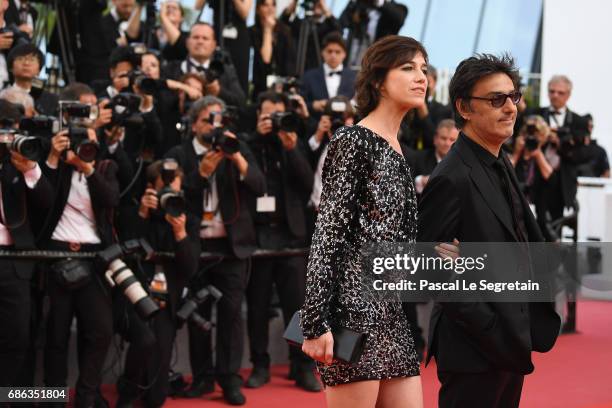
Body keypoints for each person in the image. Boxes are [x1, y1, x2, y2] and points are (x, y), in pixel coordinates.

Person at [417, 53, 561, 408]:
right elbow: (431, 269)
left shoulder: (501, 158)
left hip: (511, 340)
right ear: (464, 108)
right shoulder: (451, 176)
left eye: (513, 97)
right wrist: (491, 327)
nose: (511, 108)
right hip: (475, 349)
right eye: (496, 99)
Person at [300, 35, 426, 408]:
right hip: (352, 312)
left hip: (391, 313)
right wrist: (315, 321)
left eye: (423, 68)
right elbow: (328, 233)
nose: (421, 76)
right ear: (377, 80)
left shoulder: (399, 148)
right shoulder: (354, 139)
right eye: (408, 67)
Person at [165, 96, 265, 405]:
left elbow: (259, 186)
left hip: (231, 248)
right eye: (209, 120)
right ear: (194, 124)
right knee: (198, 315)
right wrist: (201, 174)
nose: (215, 126)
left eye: (220, 120)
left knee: (231, 315)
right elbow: (172, 196)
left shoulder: (236, 146)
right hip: (195, 246)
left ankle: (229, 379)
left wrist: (236, 158)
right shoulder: (178, 154)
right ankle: (203, 378)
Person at [245, 91, 318, 392]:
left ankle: (300, 367)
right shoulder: (248, 144)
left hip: (292, 236)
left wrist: (291, 149)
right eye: (268, 115)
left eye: (279, 114)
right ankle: (259, 365)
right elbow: (247, 179)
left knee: (297, 308)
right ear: (259, 116)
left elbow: (307, 183)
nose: (275, 121)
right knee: (258, 306)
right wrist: (259, 138)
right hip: (259, 237)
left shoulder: (294, 141)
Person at [115, 160, 200, 408]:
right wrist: (142, 214)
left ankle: (149, 392)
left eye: (176, 192)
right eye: (166, 193)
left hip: (167, 299)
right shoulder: (136, 212)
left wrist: (181, 235)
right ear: (151, 189)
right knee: (144, 339)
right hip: (133, 294)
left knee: (157, 398)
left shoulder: (187, 219)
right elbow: (126, 251)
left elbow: (190, 268)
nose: (171, 198)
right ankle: (128, 392)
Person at [164, 22, 246, 109]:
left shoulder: (225, 71)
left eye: (205, 38)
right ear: (187, 42)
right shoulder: (171, 69)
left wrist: (219, 91)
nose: (200, 41)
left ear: (214, 45)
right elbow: (160, 102)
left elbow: (241, 102)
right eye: (196, 37)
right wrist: (183, 90)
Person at [300, 32, 356, 119]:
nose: (333, 55)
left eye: (337, 52)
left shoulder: (354, 77)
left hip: (347, 126)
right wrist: (314, 105)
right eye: (329, 51)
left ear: (344, 54)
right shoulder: (309, 76)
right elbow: (301, 103)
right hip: (316, 126)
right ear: (323, 52)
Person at [249, 0, 296, 100]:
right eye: (266, 5)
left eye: (273, 5)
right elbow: (265, 60)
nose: (270, 8)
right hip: (260, 87)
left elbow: (290, 63)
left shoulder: (285, 31)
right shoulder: (252, 32)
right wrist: (267, 30)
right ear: (258, 9)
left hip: (282, 87)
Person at [412, 118, 458, 195]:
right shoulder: (418, 158)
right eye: (443, 138)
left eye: (452, 140)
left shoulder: (463, 163)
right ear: (435, 139)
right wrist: (420, 181)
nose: (447, 143)